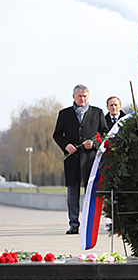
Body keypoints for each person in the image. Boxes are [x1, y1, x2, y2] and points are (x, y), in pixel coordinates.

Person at [53, 85, 108, 234]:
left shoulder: (97, 112)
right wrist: (66, 146)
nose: (82, 99)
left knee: (90, 193)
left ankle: (89, 225)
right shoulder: (64, 114)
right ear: (73, 97)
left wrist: (95, 143)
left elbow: (104, 133)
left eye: (85, 96)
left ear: (88, 97)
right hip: (72, 159)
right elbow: (57, 135)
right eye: (79, 96)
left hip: (90, 159)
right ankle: (73, 224)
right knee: (72, 194)